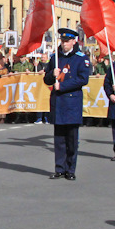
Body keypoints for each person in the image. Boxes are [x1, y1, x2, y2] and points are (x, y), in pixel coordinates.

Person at [42, 28, 91, 180]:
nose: (64, 44)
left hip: (71, 102)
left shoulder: (81, 58)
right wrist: (52, 74)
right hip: (58, 103)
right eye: (62, 41)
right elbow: (46, 79)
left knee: (71, 139)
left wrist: (62, 86)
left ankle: (70, 169)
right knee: (59, 139)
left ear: (74, 41)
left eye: (67, 41)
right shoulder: (55, 57)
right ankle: (59, 168)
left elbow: (83, 79)